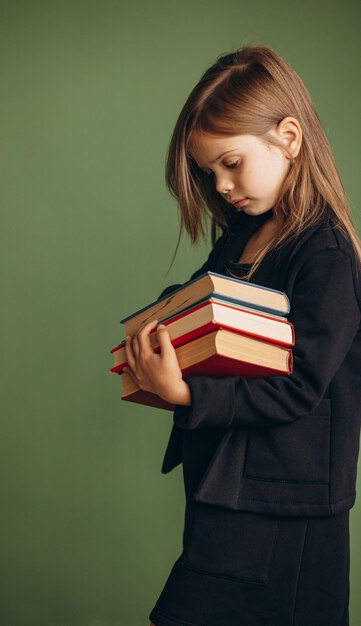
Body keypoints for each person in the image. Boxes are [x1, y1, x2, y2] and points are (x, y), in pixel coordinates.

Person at [122, 44, 361, 626]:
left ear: (289, 137)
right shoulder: (242, 236)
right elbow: (202, 300)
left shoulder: (325, 253)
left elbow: (301, 385)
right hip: (225, 487)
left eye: (231, 162)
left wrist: (186, 394)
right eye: (210, 173)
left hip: (285, 506)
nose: (223, 185)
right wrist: (158, 329)